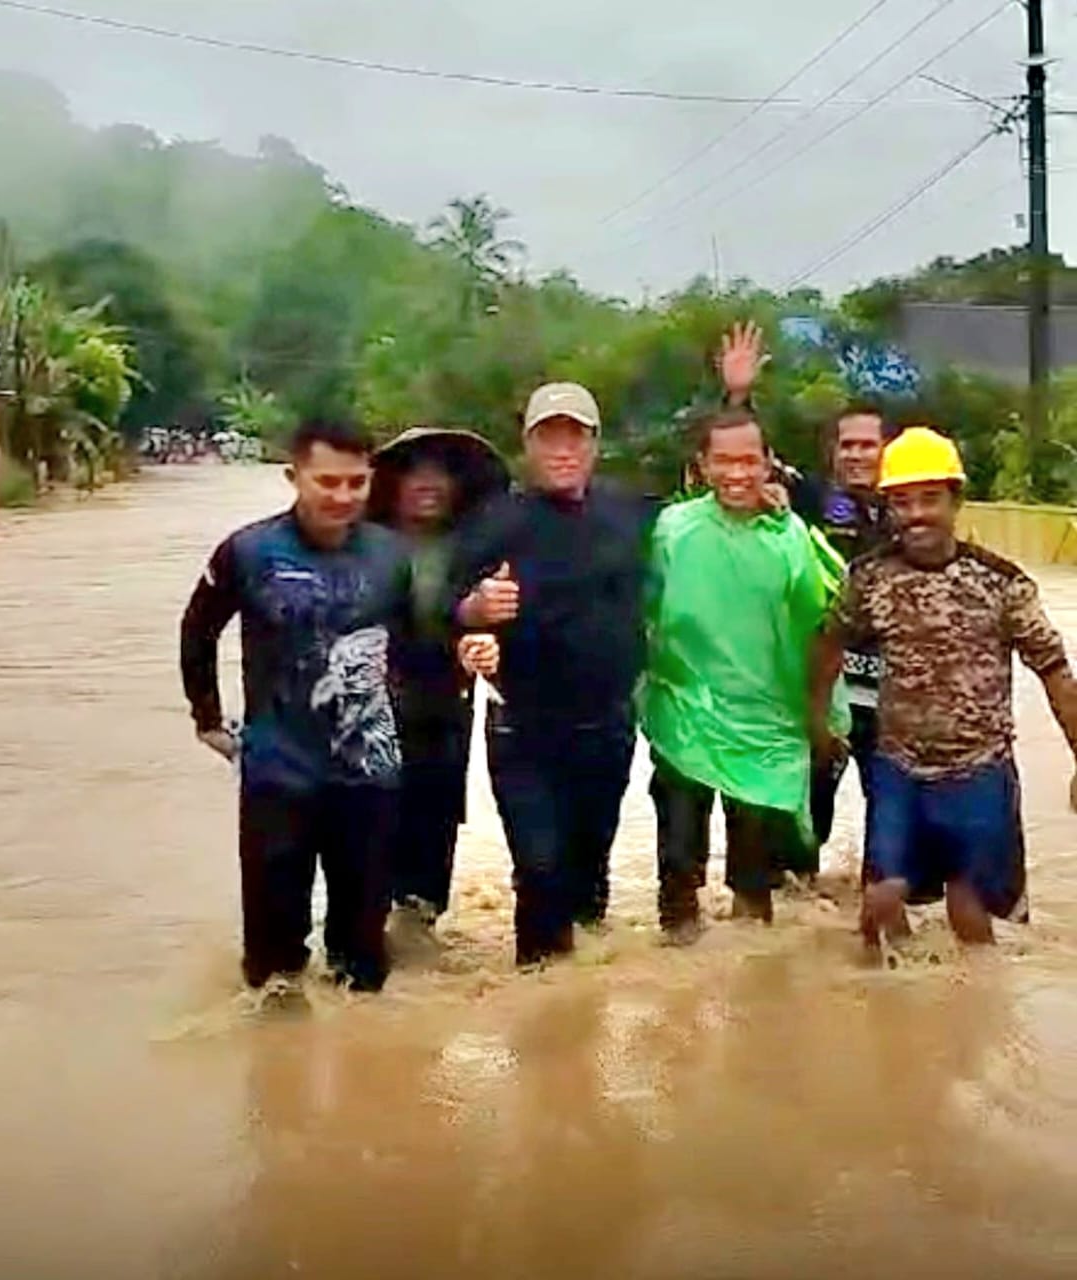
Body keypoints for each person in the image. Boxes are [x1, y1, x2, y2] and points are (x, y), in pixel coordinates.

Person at [452, 324, 766, 966]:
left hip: (608, 728)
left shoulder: (633, 513)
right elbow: (440, 604)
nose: (563, 448)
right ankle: (539, 1020)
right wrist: (474, 614)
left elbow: (721, 503)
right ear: (529, 444)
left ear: (595, 445)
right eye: (549, 436)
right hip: (523, 731)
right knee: (539, 874)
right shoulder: (496, 521)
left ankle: (580, 1025)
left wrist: (736, 403)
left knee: (587, 883)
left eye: (576, 435)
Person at [813, 426, 1077, 946]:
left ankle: (976, 1019)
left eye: (929, 499)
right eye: (902, 502)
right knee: (881, 906)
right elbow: (827, 643)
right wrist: (817, 721)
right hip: (898, 770)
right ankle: (894, 1014)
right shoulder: (870, 577)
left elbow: (1053, 670)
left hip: (979, 774)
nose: (915, 515)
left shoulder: (1001, 583)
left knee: (975, 917)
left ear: (956, 501)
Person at [179, 419, 411, 994]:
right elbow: (198, 631)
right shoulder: (249, 551)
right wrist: (207, 716)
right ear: (294, 476)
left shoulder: (392, 554)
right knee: (272, 964)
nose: (342, 496)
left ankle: (362, 1065)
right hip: (278, 772)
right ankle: (276, 1063)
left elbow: (413, 644)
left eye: (356, 482)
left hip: (368, 773)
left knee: (363, 956)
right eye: (326, 481)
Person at [639, 408, 847, 937]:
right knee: (680, 868)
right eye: (724, 460)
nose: (737, 473)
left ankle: (750, 995)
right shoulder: (672, 531)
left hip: (766, 729)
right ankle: (680, 992)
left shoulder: (792, 537)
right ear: (702, 466)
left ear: (768, 464)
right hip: (686, 715)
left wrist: (826, 718)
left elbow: (828, 620)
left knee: (755, 886)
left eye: (749, 460)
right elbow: (637, 610)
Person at [366, 427, 509, 926]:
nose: (427, 484)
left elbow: (508, 618)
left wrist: (483, 629)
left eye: (440, 473)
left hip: (446, 703)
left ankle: (420, 927)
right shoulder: (363, 544)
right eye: (414, 472)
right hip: (371, 709)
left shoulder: (475, 549)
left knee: (436, 820)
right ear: (391, 483)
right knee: (369, 827)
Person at [791, 405, 895, 852]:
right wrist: (737, 397)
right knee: (804, 830)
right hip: (825, 696)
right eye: (846, 444)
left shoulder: (912, 507)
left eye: (867, 444)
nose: (856, 454)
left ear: (887, 449)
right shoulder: (811, 498)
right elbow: (746, 465)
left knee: (891, 829)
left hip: (889, 702)